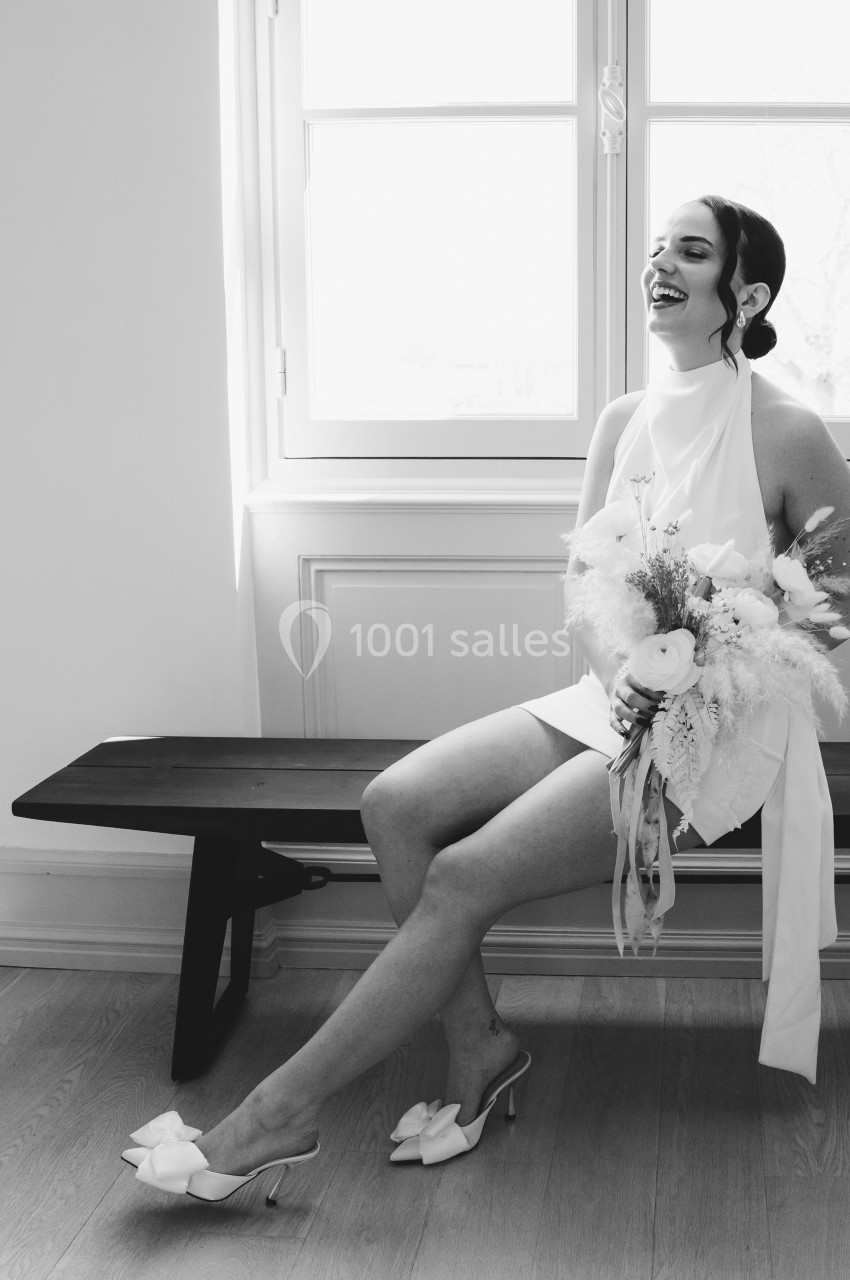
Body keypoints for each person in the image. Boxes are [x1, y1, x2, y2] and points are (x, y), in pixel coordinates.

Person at [122, 195, 850, 1203]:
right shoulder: (620, 420)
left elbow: (834, 609)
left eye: (692, 251)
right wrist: (626, 676)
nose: (660, 263)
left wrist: (719, 669)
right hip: (615, 698)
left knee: (462, 876)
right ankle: (482, 1045)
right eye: (656, 248)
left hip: (721, 728)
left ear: (748, 289)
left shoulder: (792, 431)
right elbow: (585, 585)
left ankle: (273, 1114)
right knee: (395, 803)